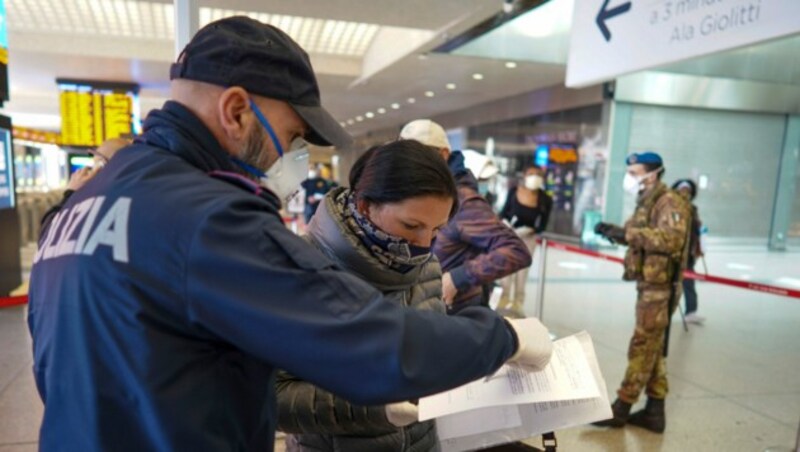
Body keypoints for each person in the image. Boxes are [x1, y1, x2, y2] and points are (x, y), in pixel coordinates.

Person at [27, 17, 553, 452]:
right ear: (237, 110)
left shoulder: (90, 199)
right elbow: (376, 346)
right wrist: (504, 337)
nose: (290, 155)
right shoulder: (206, 217)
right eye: (291, 134)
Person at [278, 140, 484, 451]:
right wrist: (373, 408)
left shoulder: (426, 264)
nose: (425, 244)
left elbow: (432, 353)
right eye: (411, 225)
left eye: (437, 230)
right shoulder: (300, 267)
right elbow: (273, 395)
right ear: (365, 205)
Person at [592, 152, 691, 434]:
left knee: (642, 345)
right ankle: (655, 411)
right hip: (649, 283)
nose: (630, 177)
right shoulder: (648, 198)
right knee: (654, 346)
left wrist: (628, 235)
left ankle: (621, 406)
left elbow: (672, 239)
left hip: (661, 288)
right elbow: (643, 232)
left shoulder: (669, 200)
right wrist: (616, 232)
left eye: (634, 172)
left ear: (653, 173)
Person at [400, 119, 532, 313]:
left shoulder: (461, 201)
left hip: (456, 312)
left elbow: (516, 250)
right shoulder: (424, 192)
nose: (409, 164)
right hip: (424, 308)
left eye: (419, 154)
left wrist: (458, 277)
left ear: (443, 154)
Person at [40, 137, 132, 230]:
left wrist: (71, 192)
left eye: (93, 166)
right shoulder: (134, 198)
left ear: (101, 166)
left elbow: (49, 233)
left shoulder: (94, 207)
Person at [497, 165, 553, 318]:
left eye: (538, 174)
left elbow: (542, 224)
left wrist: (530, 229)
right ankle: (503, 299)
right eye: (531, 173)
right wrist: (506, 224)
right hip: (509, 235)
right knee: (506, 269)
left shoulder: (545, 199)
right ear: (524, 175)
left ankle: (518, 303)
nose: (534, 177)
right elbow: (503, 213)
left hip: (528, 238)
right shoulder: (514, 192)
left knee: (522, 272)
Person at [672, 179, 705, 324]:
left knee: (689, 283)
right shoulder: (670, 208)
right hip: (672, 253)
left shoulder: (693, 209)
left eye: (688, 191)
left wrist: (699, 247)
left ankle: (691, 311)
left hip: (688, 255)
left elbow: (696, 231)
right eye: (682, 190)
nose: (685, 194)